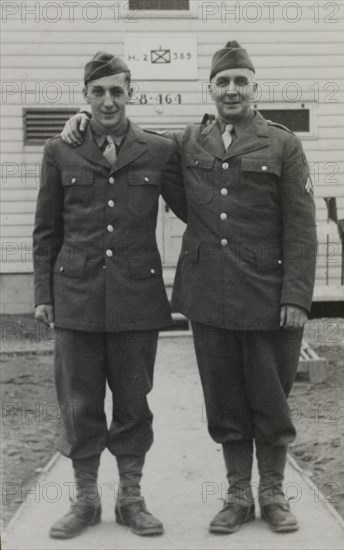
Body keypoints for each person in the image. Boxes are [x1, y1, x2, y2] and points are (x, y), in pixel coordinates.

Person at [61, 41, 317, 534]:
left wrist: (295, 297)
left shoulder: (283, 144)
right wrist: (83, 117)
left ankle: (274, 493)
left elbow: (302, 229)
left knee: (270, 398)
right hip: (209, 294)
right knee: (223, 400)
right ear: (211, 89)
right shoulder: (188, 142)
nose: (232, 89)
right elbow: (136, 143)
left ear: (254, 87)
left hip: (267, 295)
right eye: (223, 82)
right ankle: (238, 496)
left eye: (241, 80)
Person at [33, 51, 186, 539]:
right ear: (84, 97)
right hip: (75, 295)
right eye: (97, 92)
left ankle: (131, 497)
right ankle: (84, 499)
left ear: (131, 94)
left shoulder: (159, 150)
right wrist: (44, 294)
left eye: (116, 91)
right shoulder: (59, 150)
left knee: (134, 402)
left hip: (137, 299)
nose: (107, 101)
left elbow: (197, 210)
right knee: (78, 403)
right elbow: (45, 230)